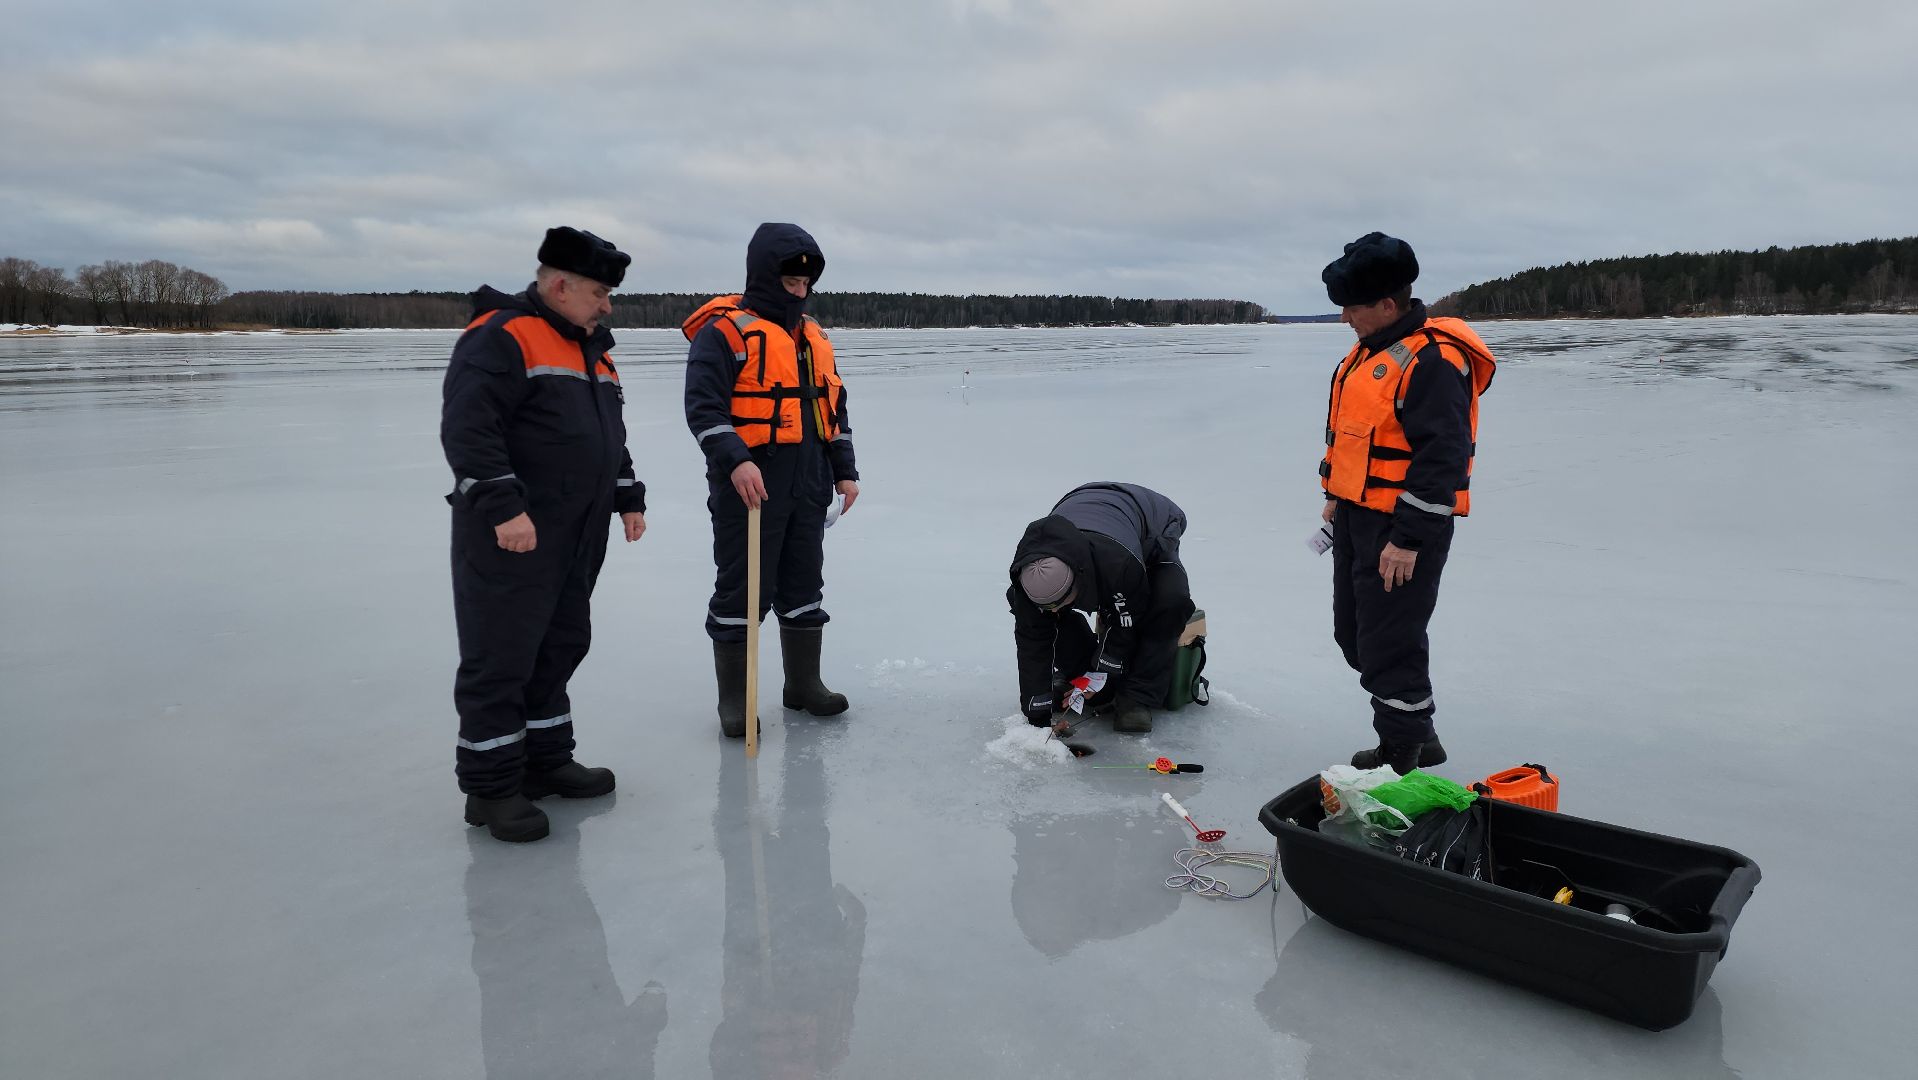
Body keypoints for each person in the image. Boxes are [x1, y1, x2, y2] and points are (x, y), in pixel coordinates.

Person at [441, 226, 648, 842]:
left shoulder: (593, 349)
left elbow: (610, 436)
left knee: (559, 643)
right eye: (598, 292)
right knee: (501, 653)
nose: (607, 305)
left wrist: (627, 495)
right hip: (514, 531)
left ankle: (546, 759)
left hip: (577, 531)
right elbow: (469, 431)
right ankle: (493, 788)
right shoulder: (502, 337)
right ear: (559, 285)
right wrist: (504, 508)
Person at [1317, 231, 1495, 774]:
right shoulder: (1368, 353)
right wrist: (1334, 496)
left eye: (1352, 307)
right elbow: (1354, 435)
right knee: (1356, 638)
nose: (1345, 318)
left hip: (1402, 527)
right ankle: (1418, 733)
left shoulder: (1435, 361)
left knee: (1389, 643)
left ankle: (1403, 754)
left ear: (1387, 305)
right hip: (1356, 515)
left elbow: (1443, 458)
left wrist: (1408, 538)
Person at [683, 223, 859, 738]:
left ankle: (803, 687)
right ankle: (735, 704)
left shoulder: (813, 338)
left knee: (804, 585)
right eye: (790, 280)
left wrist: (845, 472)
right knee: (742, 590)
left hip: (809, 484)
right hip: (750, 485)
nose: (801, 290)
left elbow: (834, 412)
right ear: (765, 275)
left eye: (808, 282)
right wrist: (736, 459)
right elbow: (704, 409)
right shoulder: (725, 334)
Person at [1009, 483, 1193, 734]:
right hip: (1085, 511)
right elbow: (1032, 642)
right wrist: (1038, 714)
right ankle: (1078, 672)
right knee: (1041, 620)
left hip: (1152, 526)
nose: (1052, 611)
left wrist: (1102, 678)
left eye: (1057, 604)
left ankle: (1136, 697)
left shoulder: (1119, 566)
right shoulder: (1026, 582)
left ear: (1077, 584)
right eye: (1045, 606)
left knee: (1168, 603)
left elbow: (1124, 624)